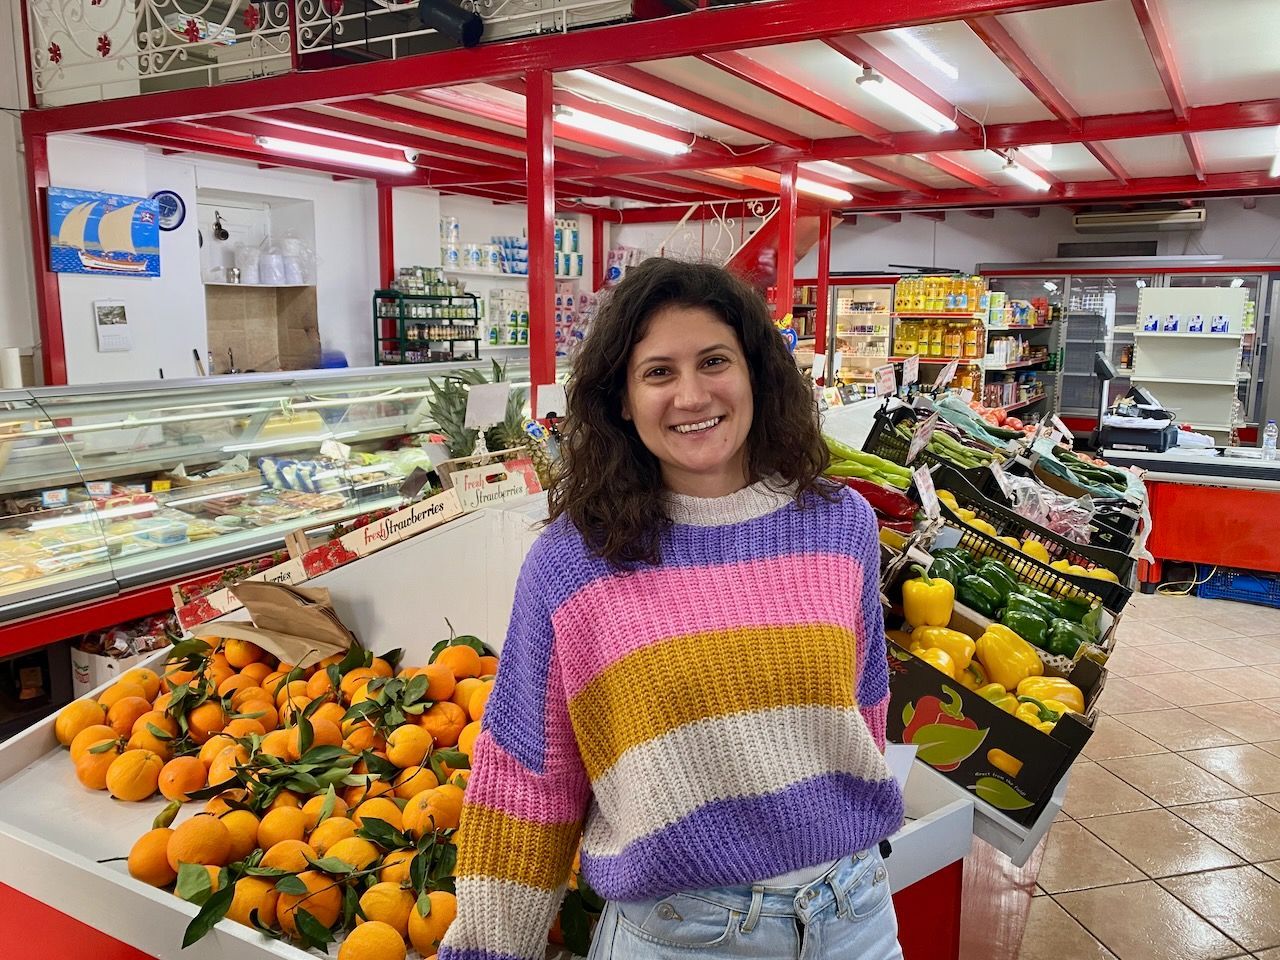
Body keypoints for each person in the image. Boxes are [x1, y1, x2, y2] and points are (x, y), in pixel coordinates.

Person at [438, 258, 904, 960]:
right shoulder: (575, 562)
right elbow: (530, 782)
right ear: (621, 398)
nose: (692, 394)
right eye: (658, 372)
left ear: (754, 372)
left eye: (713, 361)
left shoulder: (840, 523)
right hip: (686, 936)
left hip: (856, 914)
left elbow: (863, 706)